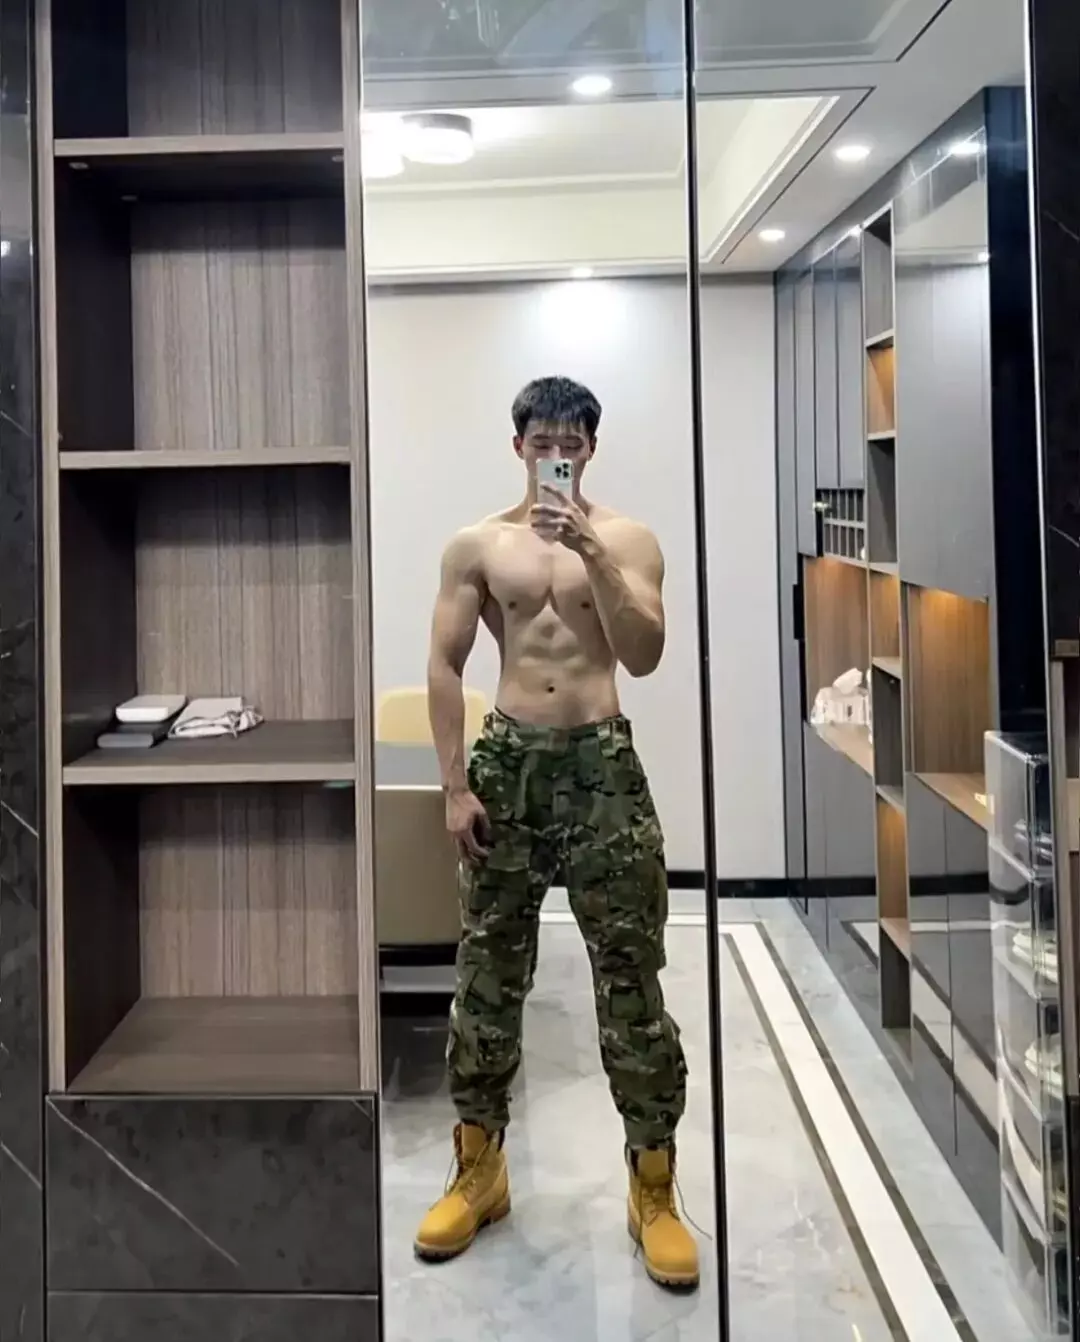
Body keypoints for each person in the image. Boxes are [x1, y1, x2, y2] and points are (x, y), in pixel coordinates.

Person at [413, 375, 697, 1291]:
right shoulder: (478, 545)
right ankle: (478, 1169)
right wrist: (454, 788)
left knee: (631, 976)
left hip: (601, 764)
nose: (556, 457)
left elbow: (645, 654)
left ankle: (653, 1186)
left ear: (590, 449)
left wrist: (590, 552)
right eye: (542, 443)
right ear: (519, 448)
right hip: (509, 765)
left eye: (570, 443)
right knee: (488, 974)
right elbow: (445, 664)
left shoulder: (628, 540)